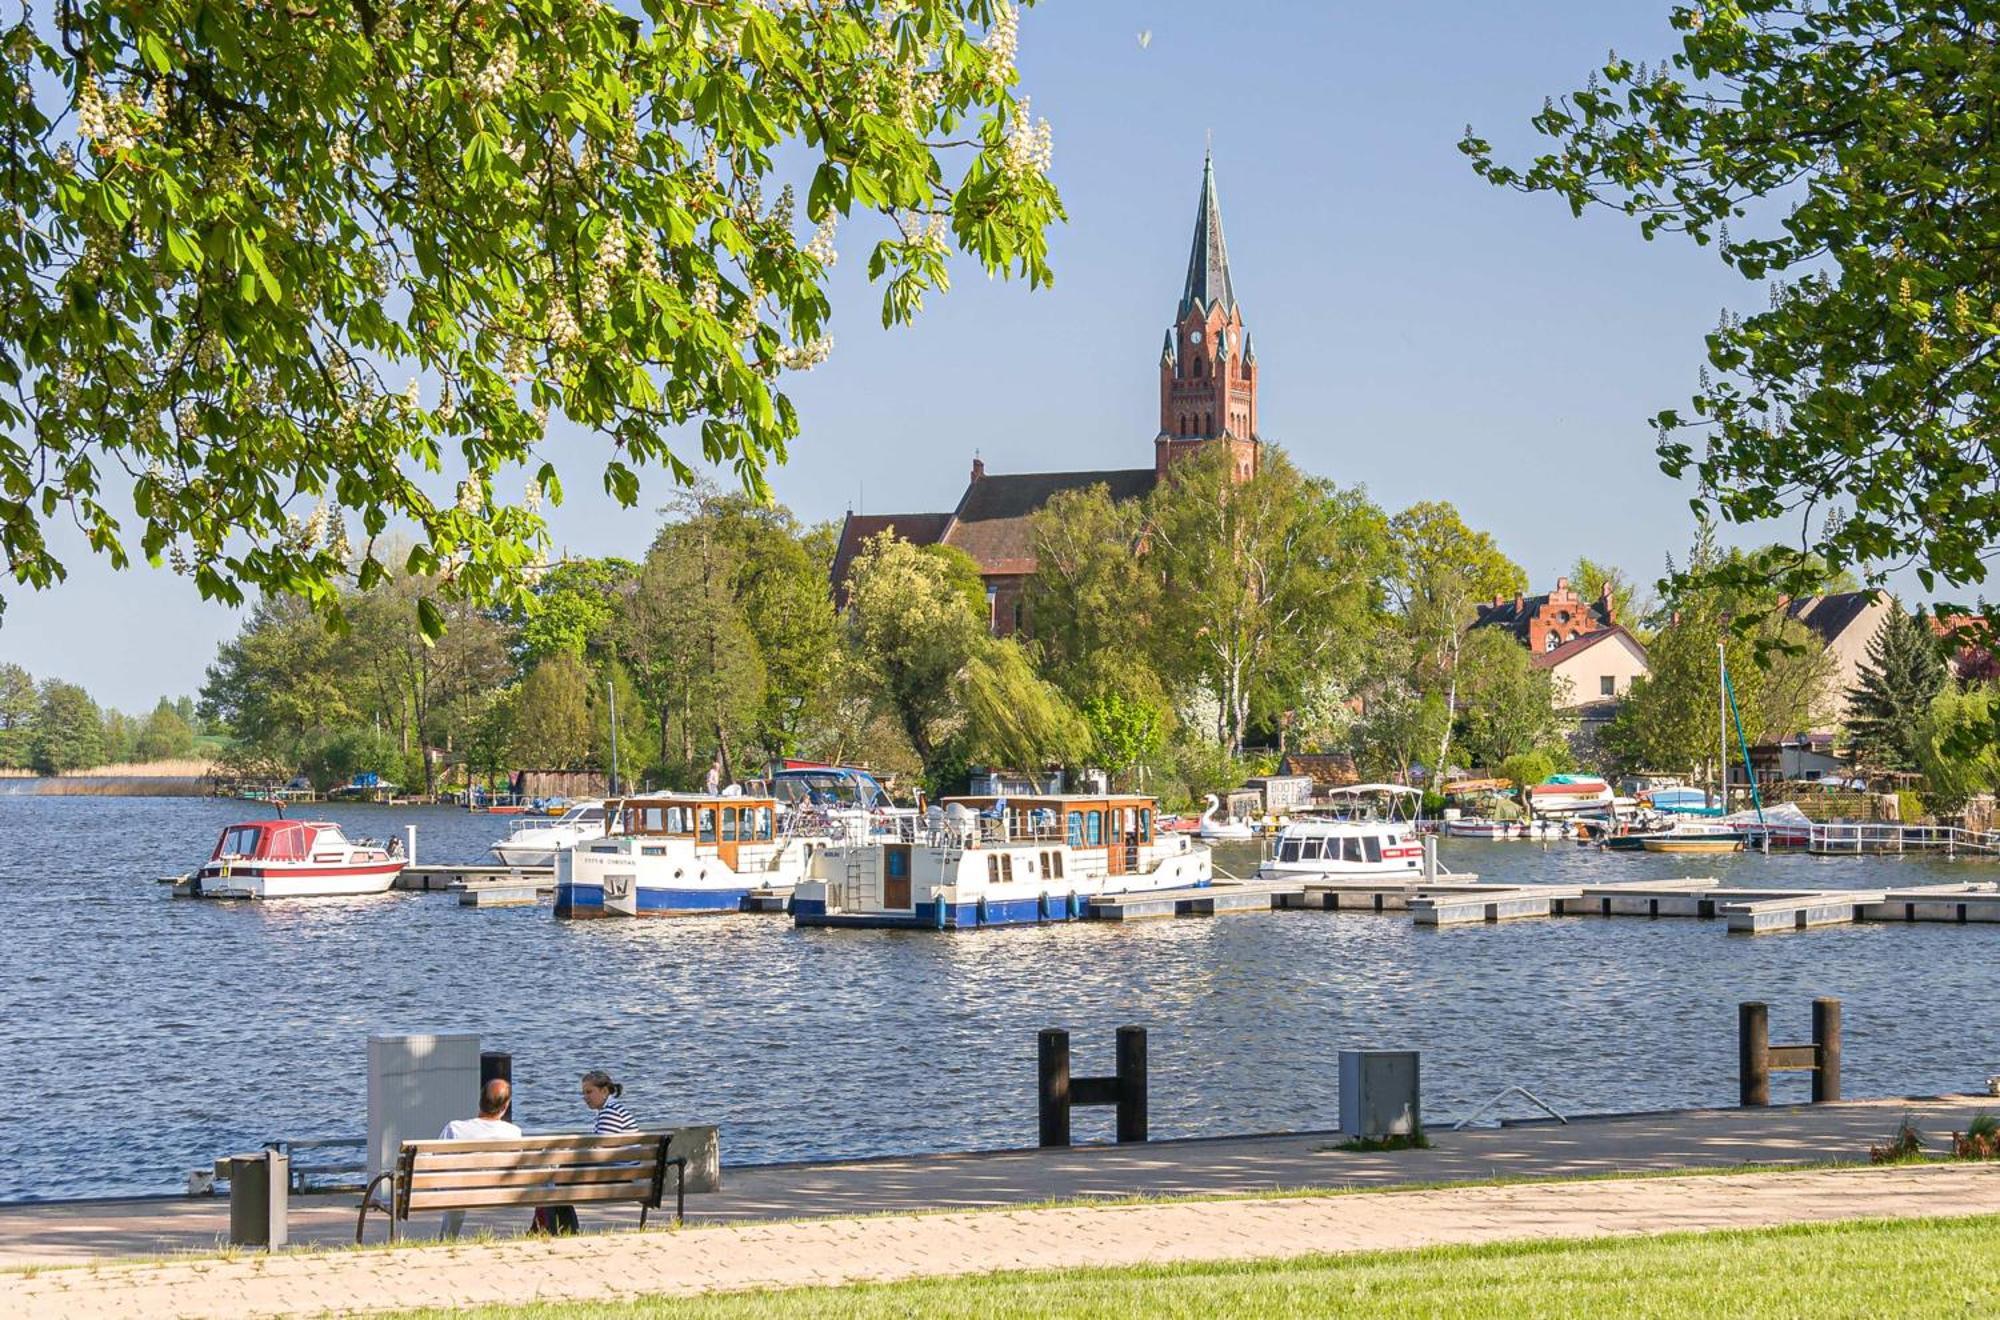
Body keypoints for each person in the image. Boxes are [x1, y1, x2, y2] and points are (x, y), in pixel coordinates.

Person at [437, 1079, 521, 1239]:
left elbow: (437, 1165)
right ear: (505, 1106)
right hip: (501, 1192)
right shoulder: (514, 1133)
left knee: (454, 1186)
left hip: (459, 1193)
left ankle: (447, 1240)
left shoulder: (455, 1128)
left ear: (480, 1100)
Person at [581, 1069, 636, 1134]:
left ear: (604, 1091)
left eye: (589, 1092)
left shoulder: (611, 1112)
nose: (585, 1097)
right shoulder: (613, 1108)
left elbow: (603, 1143)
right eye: (583, 1093)